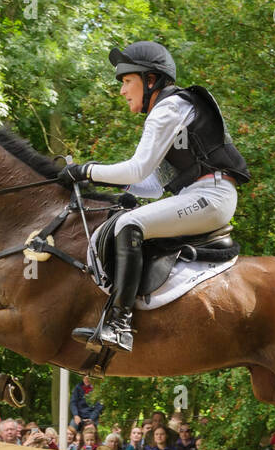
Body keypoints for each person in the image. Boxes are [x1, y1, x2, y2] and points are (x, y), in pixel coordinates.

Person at [58, 41, 249, 352]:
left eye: (127, 81)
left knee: (128, 225)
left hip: (211, 196)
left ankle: (120, 324)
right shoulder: (174, 111)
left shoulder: (169, 109)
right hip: (200, 194)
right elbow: (152, 185)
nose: (122, 91)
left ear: (150, 80)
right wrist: (111, 189)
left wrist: (85, 171)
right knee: (129, 220)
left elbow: (135, 169)